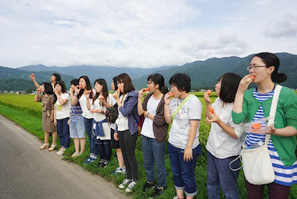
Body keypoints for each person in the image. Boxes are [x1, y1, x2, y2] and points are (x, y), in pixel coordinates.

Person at [232, 52, 297, 199]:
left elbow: (294, 127)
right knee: (253, 196)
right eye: (250, 67)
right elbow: (237, 118)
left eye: (256, 66)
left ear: (270, 69)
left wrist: (276, 131)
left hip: (279, 157)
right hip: (253, 155)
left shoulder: (286, 95)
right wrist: (240, 91)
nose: (251, 70)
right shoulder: (248, 95)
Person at [203, 73, 244, 199]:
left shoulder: (237, 108)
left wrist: (218, 122)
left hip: (227, 155)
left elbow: (236, 134)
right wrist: (207, 103)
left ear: (229, 86)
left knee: (229, 189)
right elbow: (210, 115)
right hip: (213, 150)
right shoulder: (219, 100)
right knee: (212, 182)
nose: (216, 85)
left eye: (220, 82)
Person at [164, 73, 202, 199]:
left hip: (187, 146)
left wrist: (188, 147)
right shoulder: (174, 100)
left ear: (183, 86)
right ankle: (179, 196)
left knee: (187, 174)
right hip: (173, 143)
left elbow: (193, 126)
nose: (171, 89)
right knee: (176, 173)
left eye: (174, 86)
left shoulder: (193, 102)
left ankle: (190, 197)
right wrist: (166, 104)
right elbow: (168, 120)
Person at [137, 73, 168, 197]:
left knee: (159, 163)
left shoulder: (164, 99)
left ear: (157, 85)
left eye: (150, 83)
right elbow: (140, 111)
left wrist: (147, 114)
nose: (147, 85)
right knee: (148, 161)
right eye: (148, 82)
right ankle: (150, 181)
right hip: (146, 134)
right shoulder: (148, 96)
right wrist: (140, 98)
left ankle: (161, 186)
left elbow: (160, 120)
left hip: (157, 136)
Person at [113, 73, 139, 193]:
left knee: (130, 155)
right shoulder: (122, 96)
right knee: (124, 153)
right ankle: (129, 177)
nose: (118, 85)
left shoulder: (133, 95)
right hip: (121, 128)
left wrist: (118, 100)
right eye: (117, 83)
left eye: (120, 82)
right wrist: (116, 130)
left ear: (126, 82)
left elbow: (125, 112)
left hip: (130, 129)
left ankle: (135, 179)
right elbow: (119, 115)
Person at [86, 78, 114, 168]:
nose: (96, 87)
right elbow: (90, 108)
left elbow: (111, 110)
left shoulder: (109, 96)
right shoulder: (95, 97)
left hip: (105, 123)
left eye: (98, 85)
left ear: (102, 86)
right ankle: (101, 160)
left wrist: (103, 109)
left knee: (106, 143)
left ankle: (106, 160)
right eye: (95, 85)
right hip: (96, 122)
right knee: (99, 142)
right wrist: (87, 99)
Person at [71, 76, 95, 164]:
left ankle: (94, 154)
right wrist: (75, 93)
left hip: (93, 116)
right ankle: (92, 153)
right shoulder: (80, 93)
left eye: (82, 81)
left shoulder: (92, 91)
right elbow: (73, 103)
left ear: (86, 82)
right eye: (79, 81)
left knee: (94, 137)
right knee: (89, 136)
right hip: (85, 117)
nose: (80, 83)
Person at [34, 82, 57, 151]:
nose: (41, 87)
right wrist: (37, 93)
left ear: (46, 87)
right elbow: (36, 100)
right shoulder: (43, 96)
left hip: (50, 113)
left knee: (53, 129)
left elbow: (53, 107)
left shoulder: (52, 96)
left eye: (42, 86)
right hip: (44, 113)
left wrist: (52, 116)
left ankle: (53, 144)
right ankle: (46, 143)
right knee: (45, 129)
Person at [110, 76, 125, 174]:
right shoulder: (115, 95)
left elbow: (122, 110)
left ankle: (124, 168)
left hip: (121, 125)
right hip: (114, 125)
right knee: (117, 148)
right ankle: (121, 167)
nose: (111, 84)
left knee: (122, 148)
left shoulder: (121, 96)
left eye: (113, 82)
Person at [68, 79, 85, 158]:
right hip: (72, 116)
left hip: (79, 116)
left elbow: (73, 103)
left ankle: (82, 152)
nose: (70, 87)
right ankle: (77, 151)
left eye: (71, 85)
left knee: (81, 136)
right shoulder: (76, 93)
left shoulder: (79, 94)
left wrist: (72, 93)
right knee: (75, 136)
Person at [54, 81, 71, 156]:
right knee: (60, 133)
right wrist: (55, 119)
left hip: (65, 117)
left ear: (62, 87)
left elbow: (62, 103)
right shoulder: (56, 97)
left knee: (65, 133)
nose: (57, 88)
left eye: (58, 86)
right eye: (55, 86)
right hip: (58, 117)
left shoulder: (66, 95)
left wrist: (57, 94)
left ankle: (66, 147)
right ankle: (62, 146)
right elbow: (55, 108)